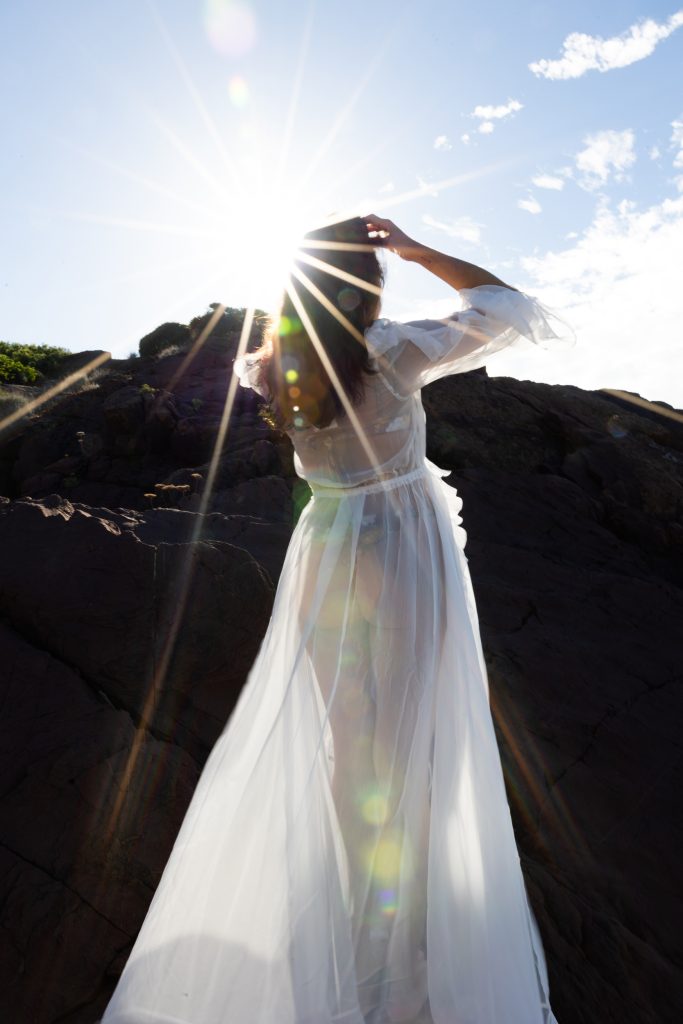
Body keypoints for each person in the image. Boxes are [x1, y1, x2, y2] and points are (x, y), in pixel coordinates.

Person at [100, 215, 572, 1024]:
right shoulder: (390, 352)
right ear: (368, 285)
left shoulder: (273, 364)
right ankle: (405, 969)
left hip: (327, 548)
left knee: (349, 751)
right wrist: (418, 251)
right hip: (398, 541)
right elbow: (507, 304)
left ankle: (361, 954)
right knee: (419, 741)